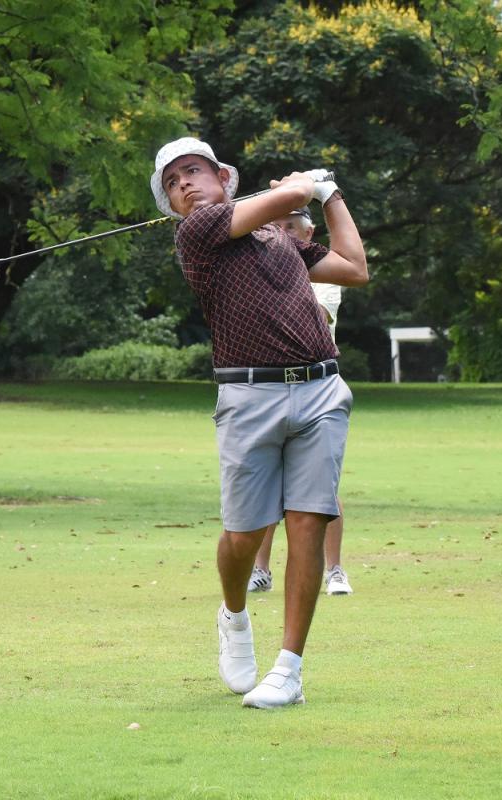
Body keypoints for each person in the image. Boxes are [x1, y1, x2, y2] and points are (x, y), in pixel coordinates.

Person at [151, 137, 368, 708]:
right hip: (249, 397)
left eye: (193, 173)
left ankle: (289, 670)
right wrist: (303, 185)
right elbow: (291, 194)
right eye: (173, 184)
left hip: (321, 388)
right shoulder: (196, 236)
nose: (184, 186)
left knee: (308, 522)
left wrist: (331, 195)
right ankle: (234, 615)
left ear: (223, 176)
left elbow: (354, 267)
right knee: (243, 535)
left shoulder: (280, 239)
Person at [249, 207, 352, 597]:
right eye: (276, 226)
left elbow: (315, 316)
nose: (283, 233)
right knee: (266, 485)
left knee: (323, 488)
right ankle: (261, 569)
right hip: (269, 387)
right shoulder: (263, 269)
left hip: (316, 386)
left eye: (291, 227)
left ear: (308, 233)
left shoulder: (324, 274)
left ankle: (335, 570)